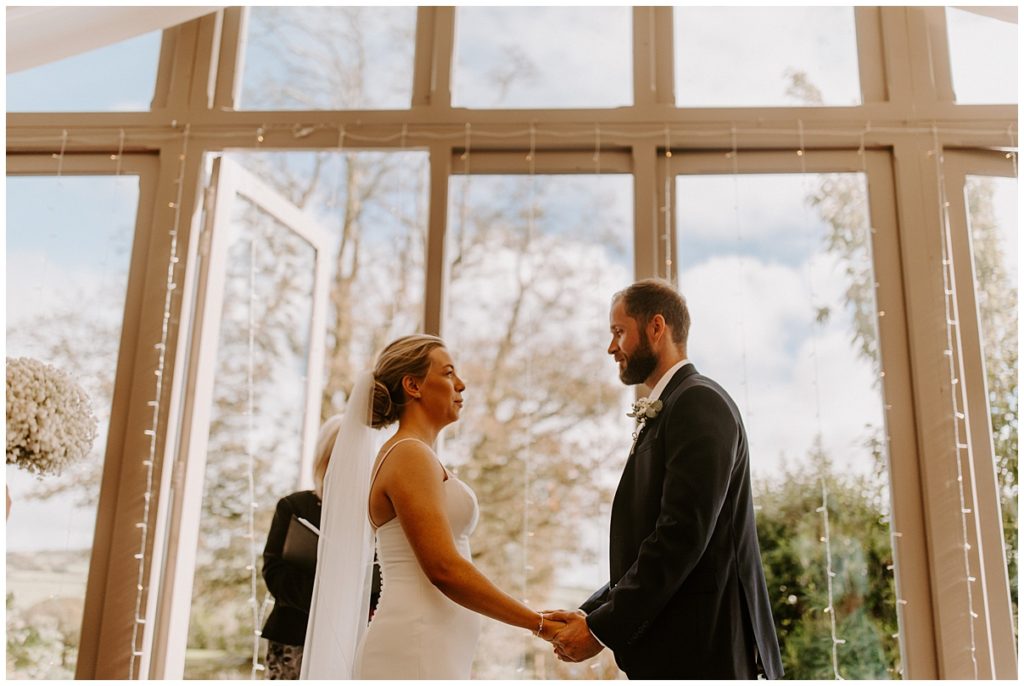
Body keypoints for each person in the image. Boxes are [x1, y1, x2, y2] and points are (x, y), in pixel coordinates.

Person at [546, 279, 784, 679]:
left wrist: (601, 630)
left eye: (619, 332)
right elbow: (653, 545)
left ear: (657, 328)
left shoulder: (698, 401)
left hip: (708, 653)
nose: (611, 348)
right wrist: (589, 614)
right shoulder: (675, 404)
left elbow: (681, 536)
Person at [302, 334, 565, 679]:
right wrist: (539, 623)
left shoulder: (417, 455)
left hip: (432, 643)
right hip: (413, 644)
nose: (462, 384)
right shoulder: (408, 454)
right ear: (413, 385)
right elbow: (442, 568)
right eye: (448, 373)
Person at [259, 416, 342, 679]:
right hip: (293, 637)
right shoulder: (293, 507)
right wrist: (325, 600)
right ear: (324, 458)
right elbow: (274, 572)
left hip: (347, 639)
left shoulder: (371, 515)